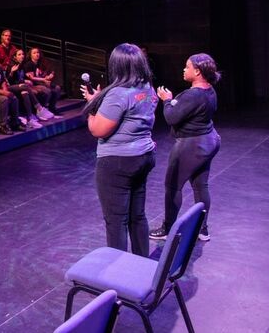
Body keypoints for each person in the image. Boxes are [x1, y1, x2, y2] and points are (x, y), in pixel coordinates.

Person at [81, 43, 158, 257]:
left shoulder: (119, 93)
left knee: (116, 221)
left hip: (118, 162)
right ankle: (141, 264)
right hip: (143, 157)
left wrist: (94, 107)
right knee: (137, 216)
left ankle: (119, 273)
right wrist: (98, 100)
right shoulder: (148, 88)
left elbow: (98, 130)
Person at [149, 54, 221, 242]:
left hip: (191, 145)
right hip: (209, 141)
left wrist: (166, 100)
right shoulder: (210, 90)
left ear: (197, 71)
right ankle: (202, 228)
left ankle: (168, 228)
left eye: (187, 66)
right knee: (200, 185)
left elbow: (171, 117)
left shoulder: (193, 95)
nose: (183, 69)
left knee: (173, 186)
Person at [23, 47, 62, 115]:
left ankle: (52, 108)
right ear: (30, 55)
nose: (37, 54)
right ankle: (41, 109)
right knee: (47, 91)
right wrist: (44, 80)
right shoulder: (29, 64)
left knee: (57, 88)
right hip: (33, 84)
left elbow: (44, 73)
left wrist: (48, 76)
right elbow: (32, 78)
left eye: (37, 52)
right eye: (34, 53)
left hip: (40, 82)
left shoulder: (40, 63)